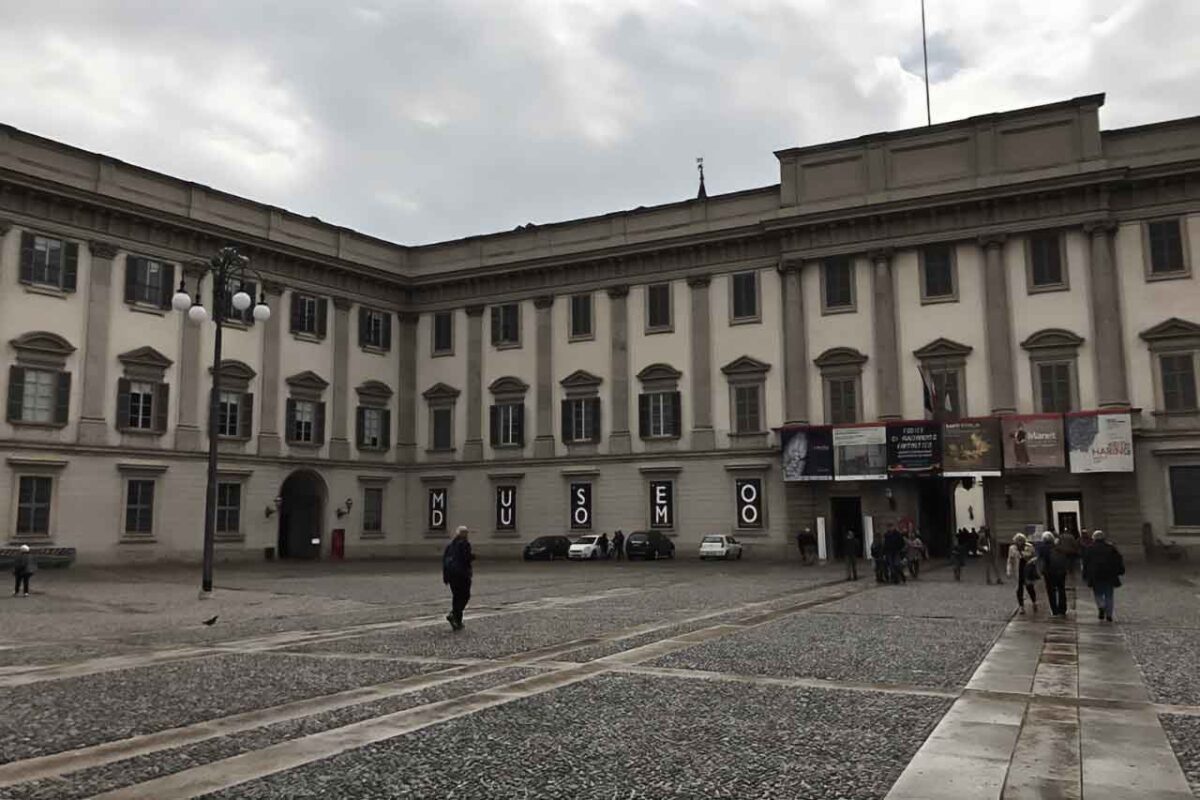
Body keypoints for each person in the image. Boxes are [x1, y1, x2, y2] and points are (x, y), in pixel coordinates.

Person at [1082, 530, 1125, 622]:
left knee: (1098, 593)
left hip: (1095, 574)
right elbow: (1118, 560)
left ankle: (1101, 606)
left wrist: (1085, 574)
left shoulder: (1089, 548)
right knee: (1109, 595)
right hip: (1109, 574)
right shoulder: (1111, 548)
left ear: (1094, 538)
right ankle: (1109, 614)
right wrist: (1120, 570)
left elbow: (1085, 563)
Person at [442, 526, 474, 631]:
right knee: (465, 596)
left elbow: (445, 561)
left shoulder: (450, 546)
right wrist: (473, 557)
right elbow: (466, 558)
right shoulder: (465, 544)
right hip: (462, 575)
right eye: (466, 533)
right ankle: (454, 614)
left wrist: (445, 577)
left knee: (456, 597)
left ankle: (458, 621)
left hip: (451, 575)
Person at [1006, 533, 1039, 614]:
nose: (1019, 542)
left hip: (1027, 570)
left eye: (1021, 541)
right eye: (1018, 541)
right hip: (1018, 570)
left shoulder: (1029, 547)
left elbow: (1036, 557)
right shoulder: (1012, 548)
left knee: (1030, 587)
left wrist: (1031, 560)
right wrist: (1009, 570)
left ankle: (1034, 602)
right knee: (1019, 589)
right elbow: (1010, 560)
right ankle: (1021, 606)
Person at [1044, 536, 1071, 617]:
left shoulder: (1049, 552)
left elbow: (1045, 564)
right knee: (1061, 590)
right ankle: (1062, 609)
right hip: (1061, 573)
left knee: (1051, 591)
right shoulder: (1063, 552)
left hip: (1051, 573)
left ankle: (1054, 610)